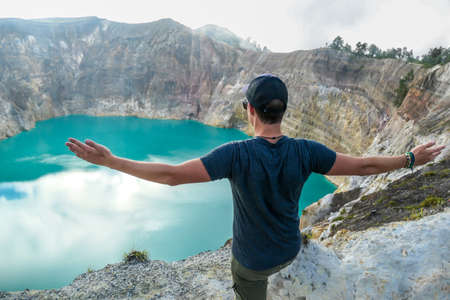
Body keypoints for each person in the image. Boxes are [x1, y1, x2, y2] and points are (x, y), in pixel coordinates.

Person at [65, 74, 445, 300]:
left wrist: (111, 161)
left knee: (244, 284)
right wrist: (411, 159)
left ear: (249, 110)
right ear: (283, 112)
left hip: (252, 264)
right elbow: (364, 164)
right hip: (290, 250)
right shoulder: (306, 151)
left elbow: (171, 176)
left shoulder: (236, 154)